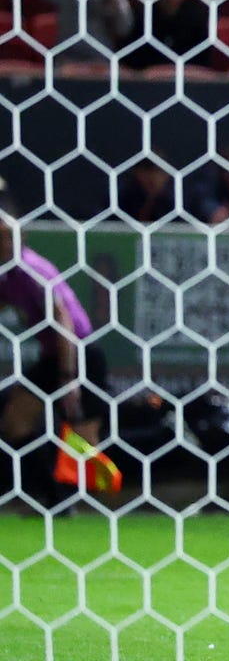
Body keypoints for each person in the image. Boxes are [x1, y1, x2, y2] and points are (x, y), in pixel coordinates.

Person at [0, 204, 119, 510]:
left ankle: (86, 504)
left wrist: (69, 378)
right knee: (14, 421)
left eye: (8, 236)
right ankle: (54, 499)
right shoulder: (7, 276)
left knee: (84, 440)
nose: (4, 243)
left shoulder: (31, 268)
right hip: (52, 356)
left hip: (79, 354)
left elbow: (62, 320)